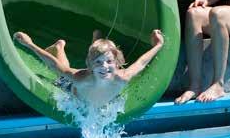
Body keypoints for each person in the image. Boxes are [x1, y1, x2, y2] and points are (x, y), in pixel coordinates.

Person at [14, 29, 164, 108]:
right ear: (90, 66)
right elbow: (55, 65)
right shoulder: (81, 79)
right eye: (98, 63)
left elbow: (142, 63)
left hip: (102, 98)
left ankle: (96, 38)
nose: (104, 67)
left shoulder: (122, 77)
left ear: (117, 63)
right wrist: (29, 44)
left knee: (96, 53)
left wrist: (158, 45)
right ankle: (60, 46)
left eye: (109, 62)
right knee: (63, 73)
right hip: (73, 92)